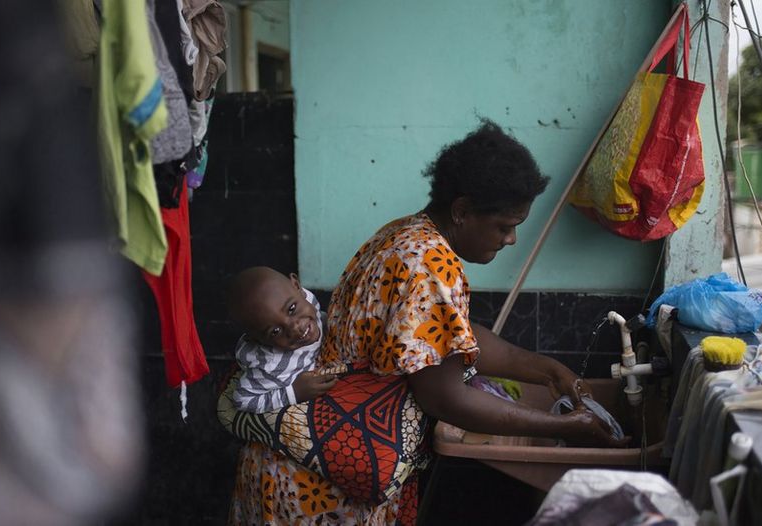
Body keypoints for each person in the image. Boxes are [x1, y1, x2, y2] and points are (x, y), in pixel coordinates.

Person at [228, 120, 628, 525]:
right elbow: (445, 397)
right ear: (462, 211)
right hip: (322, 490)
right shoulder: (429, 264)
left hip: (295, 467)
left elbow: (448, 339)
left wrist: (547, 370)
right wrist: (562, 425)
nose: (510, 240)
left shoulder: (403, 234)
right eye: (504, 226)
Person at [227, 267, 338, 413]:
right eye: (275, 331)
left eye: (292, 309)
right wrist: (293, 393)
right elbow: (243, 400)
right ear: (259, 340)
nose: (295, 328)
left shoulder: (307, 298)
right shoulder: (272, 366)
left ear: (297, 286)